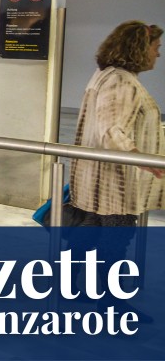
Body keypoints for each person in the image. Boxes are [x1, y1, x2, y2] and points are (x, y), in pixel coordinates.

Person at [67, 21, 162, 316]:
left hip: (98, 179)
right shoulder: (121, 81)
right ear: (138, 48)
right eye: (155, 48)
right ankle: (112, 304)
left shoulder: (106, 75)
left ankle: (75, 289)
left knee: (89, 237)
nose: (158, 55)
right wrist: (147, 163)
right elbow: (112, 131)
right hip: (114, 183)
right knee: (115, 243)